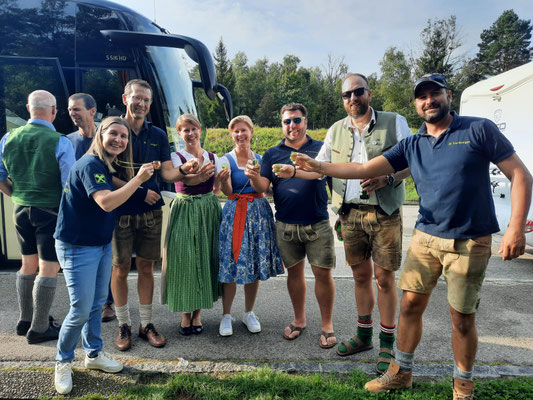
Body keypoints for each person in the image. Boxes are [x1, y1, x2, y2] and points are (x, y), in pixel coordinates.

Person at [295, 73, 532, 399]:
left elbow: (520, 174)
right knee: (409, 307)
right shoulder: (413, 143)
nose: (429, 100)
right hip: (425, 236)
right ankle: (401, 373)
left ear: (449, 96)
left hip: (469, 240)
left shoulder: (478, 129)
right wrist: (320, 167)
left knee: (462, 319)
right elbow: (363, 169)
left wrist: (516, 228)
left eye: (435, 93)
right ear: (416, 103)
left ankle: (463, 386)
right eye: (422, 96)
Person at [315, 73, 412, 373]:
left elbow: (415, 160)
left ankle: (387, 344)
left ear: (369, 94)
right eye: (347, 95)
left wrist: (389, 177)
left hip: (384, 212)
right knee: (359, 277)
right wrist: (294, 172)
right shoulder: (336, 129)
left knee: (384, 279)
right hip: (350, 214)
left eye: (358, 92)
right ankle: (364, 336)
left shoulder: (394, 122)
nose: (352, 98)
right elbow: (321, 167)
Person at [53, 117, 154, 395]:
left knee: (97, 304)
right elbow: (106, 202)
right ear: (101, 133)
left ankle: (93, 354)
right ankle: (62, 361)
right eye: (114, 134)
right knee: (80, 310)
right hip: (77, 246)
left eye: (124, 136)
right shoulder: (91, 165)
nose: (119, 140)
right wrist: (139, 180)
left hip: (99, 244)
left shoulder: (104, 165)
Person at [246, 103, 337, 349]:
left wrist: (341, 212)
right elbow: (263, 187)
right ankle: (299, 320)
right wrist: (253, 176)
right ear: (281, 124)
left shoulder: (321, 148)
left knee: (322, 274)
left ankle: (327, 325)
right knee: (294, 275)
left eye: (297, 120)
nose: (292, 125)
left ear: (306, 121)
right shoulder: (272, 153)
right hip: (285, 224)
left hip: (317, 222)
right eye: (287, 121)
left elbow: (332, 181)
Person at [0, 90, 75, 344]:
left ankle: (25, 319)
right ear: (53, 111)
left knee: (27, 264)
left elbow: (0, 176)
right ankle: (40, 327)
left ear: (27, 108)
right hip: (50, 211)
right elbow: (68, 186)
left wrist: (16, 194)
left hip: (20, 210)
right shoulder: (60, 142)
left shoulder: (8, 137)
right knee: (49, 267)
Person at [111, 79, 178, 351]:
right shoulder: (112, 130)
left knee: (147, 267)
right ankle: (123, 325)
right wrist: (139, 192)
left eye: (146, 100)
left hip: (151, 213)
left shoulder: (158, 135)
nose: (141, 104)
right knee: (120, 268)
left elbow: (168, 173)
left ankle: (146, 324)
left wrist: (190, 172)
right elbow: (105, 174)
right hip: (121, 212)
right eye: (137, 98)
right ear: (125, 98)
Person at [161, 113, 230, 335]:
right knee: (185, 259)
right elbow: (182, 179)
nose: (190, 133)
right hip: (185, 208)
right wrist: (199, 177)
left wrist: (220, 180)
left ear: (200, 130)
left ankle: (198, 313)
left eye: (193, 129)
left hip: (208, 208)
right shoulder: (176, 157)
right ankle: (185, 314)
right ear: (179, 134)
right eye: (185, 130)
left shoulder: (213, 157)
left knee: (206, 257)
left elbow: (217, 190)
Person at [217, 115, 284, 336]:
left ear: (251, 132)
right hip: (235, 212)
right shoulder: (225, 159)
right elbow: (228, 192)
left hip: (258, 213)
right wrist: (224, 180)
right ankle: (226, 315)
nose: (240, 134)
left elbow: (263, 188)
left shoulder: (261, 159)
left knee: (253, 263)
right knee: (231, 263)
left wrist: (255, 176)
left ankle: (249, 312)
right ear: (231, 134)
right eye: (236, 131)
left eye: (243, 130)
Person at [67, 93, 116, 323]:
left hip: (106, 210)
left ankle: (107, 302)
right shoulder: (67, 142)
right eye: (70, 109)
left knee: (107, 258)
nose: (72, 113)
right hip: (80, 214)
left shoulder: (108, 138)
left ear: (92, 111)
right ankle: (83, 307)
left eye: (76, 109)